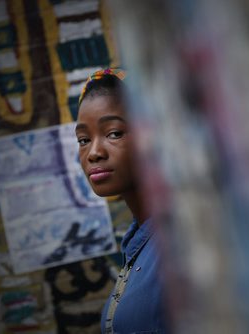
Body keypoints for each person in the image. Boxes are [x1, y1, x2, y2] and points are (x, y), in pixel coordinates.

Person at [75, 68, 166, 333]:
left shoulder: (178, 243)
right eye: (83, 139)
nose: (93, 152)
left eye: (114, 133)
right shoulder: (136, 240)